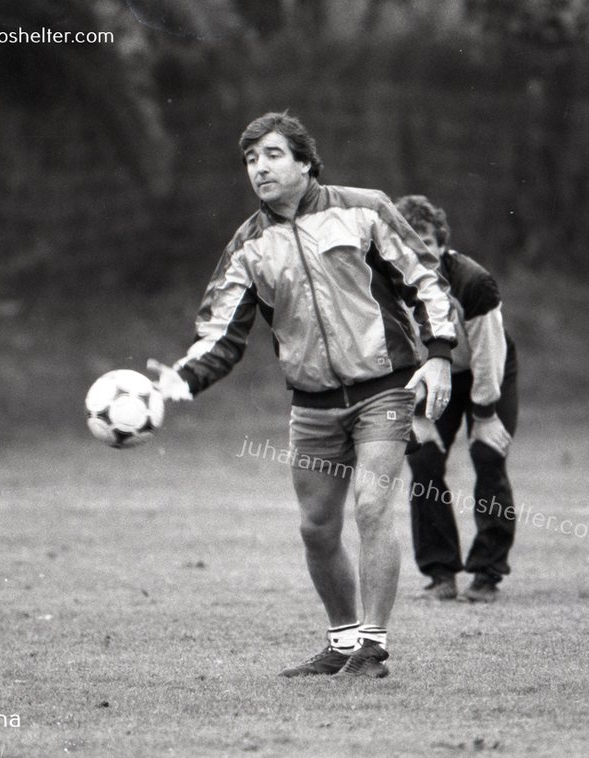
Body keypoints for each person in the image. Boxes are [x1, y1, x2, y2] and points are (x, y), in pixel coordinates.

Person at [149, 112, 457, 679]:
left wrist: (439, 353)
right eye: (249, 160)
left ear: (305, 161)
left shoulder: (364, 208)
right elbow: (220, 332)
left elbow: (427, 279)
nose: (259, 168)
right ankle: (341, 642)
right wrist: (178, 380)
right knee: (316, 528)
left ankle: (373, 645)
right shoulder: (248, 244)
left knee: (371, 506)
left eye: (271, 155)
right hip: (312, 404)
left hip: (385, 389)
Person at [394, 195, 519, 603]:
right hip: (430, 377)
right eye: (409, 244)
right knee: (424, 459)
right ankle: (440, 572)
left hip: (489, 369)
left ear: (442, 241)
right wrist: (416, 413)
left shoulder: (473, 282)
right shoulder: (386, 285)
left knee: (487, 454)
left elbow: (488, 353)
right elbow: (390, 355)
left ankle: (487, 571)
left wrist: (485, 415)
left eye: (426, 241)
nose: (419, 252)